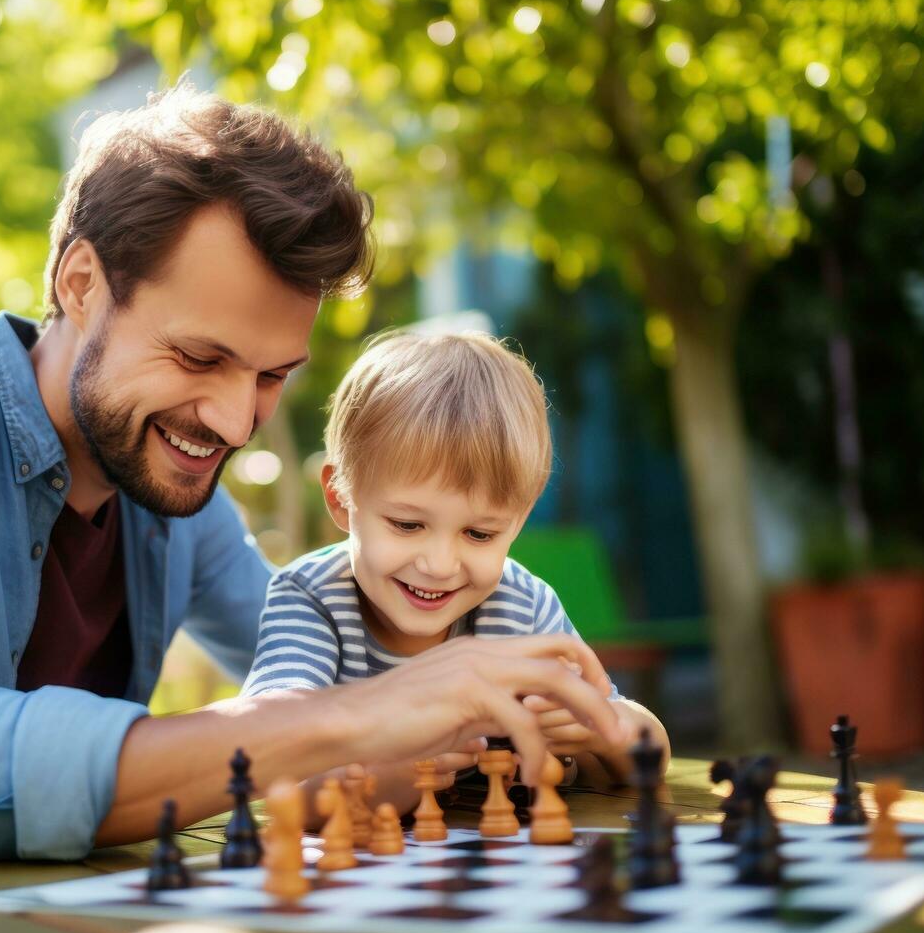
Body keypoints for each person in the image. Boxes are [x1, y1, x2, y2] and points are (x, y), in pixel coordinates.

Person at [0, 83, 625, 862]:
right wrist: (355, 719)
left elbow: (335, 657)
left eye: (271, 374)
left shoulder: (169, 486)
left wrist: (500, 702)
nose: (232, 419)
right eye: (199, 356)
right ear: (80, 281)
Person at [242, 332, 667, 798]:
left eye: (479, 534)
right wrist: (373, 784)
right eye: (407, 525)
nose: (440, 565)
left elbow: (645, 757)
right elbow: (267, 759)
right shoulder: (310, 600)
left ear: (518, 521)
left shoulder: (523, 607)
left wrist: (605, 730)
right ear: (340, 498)